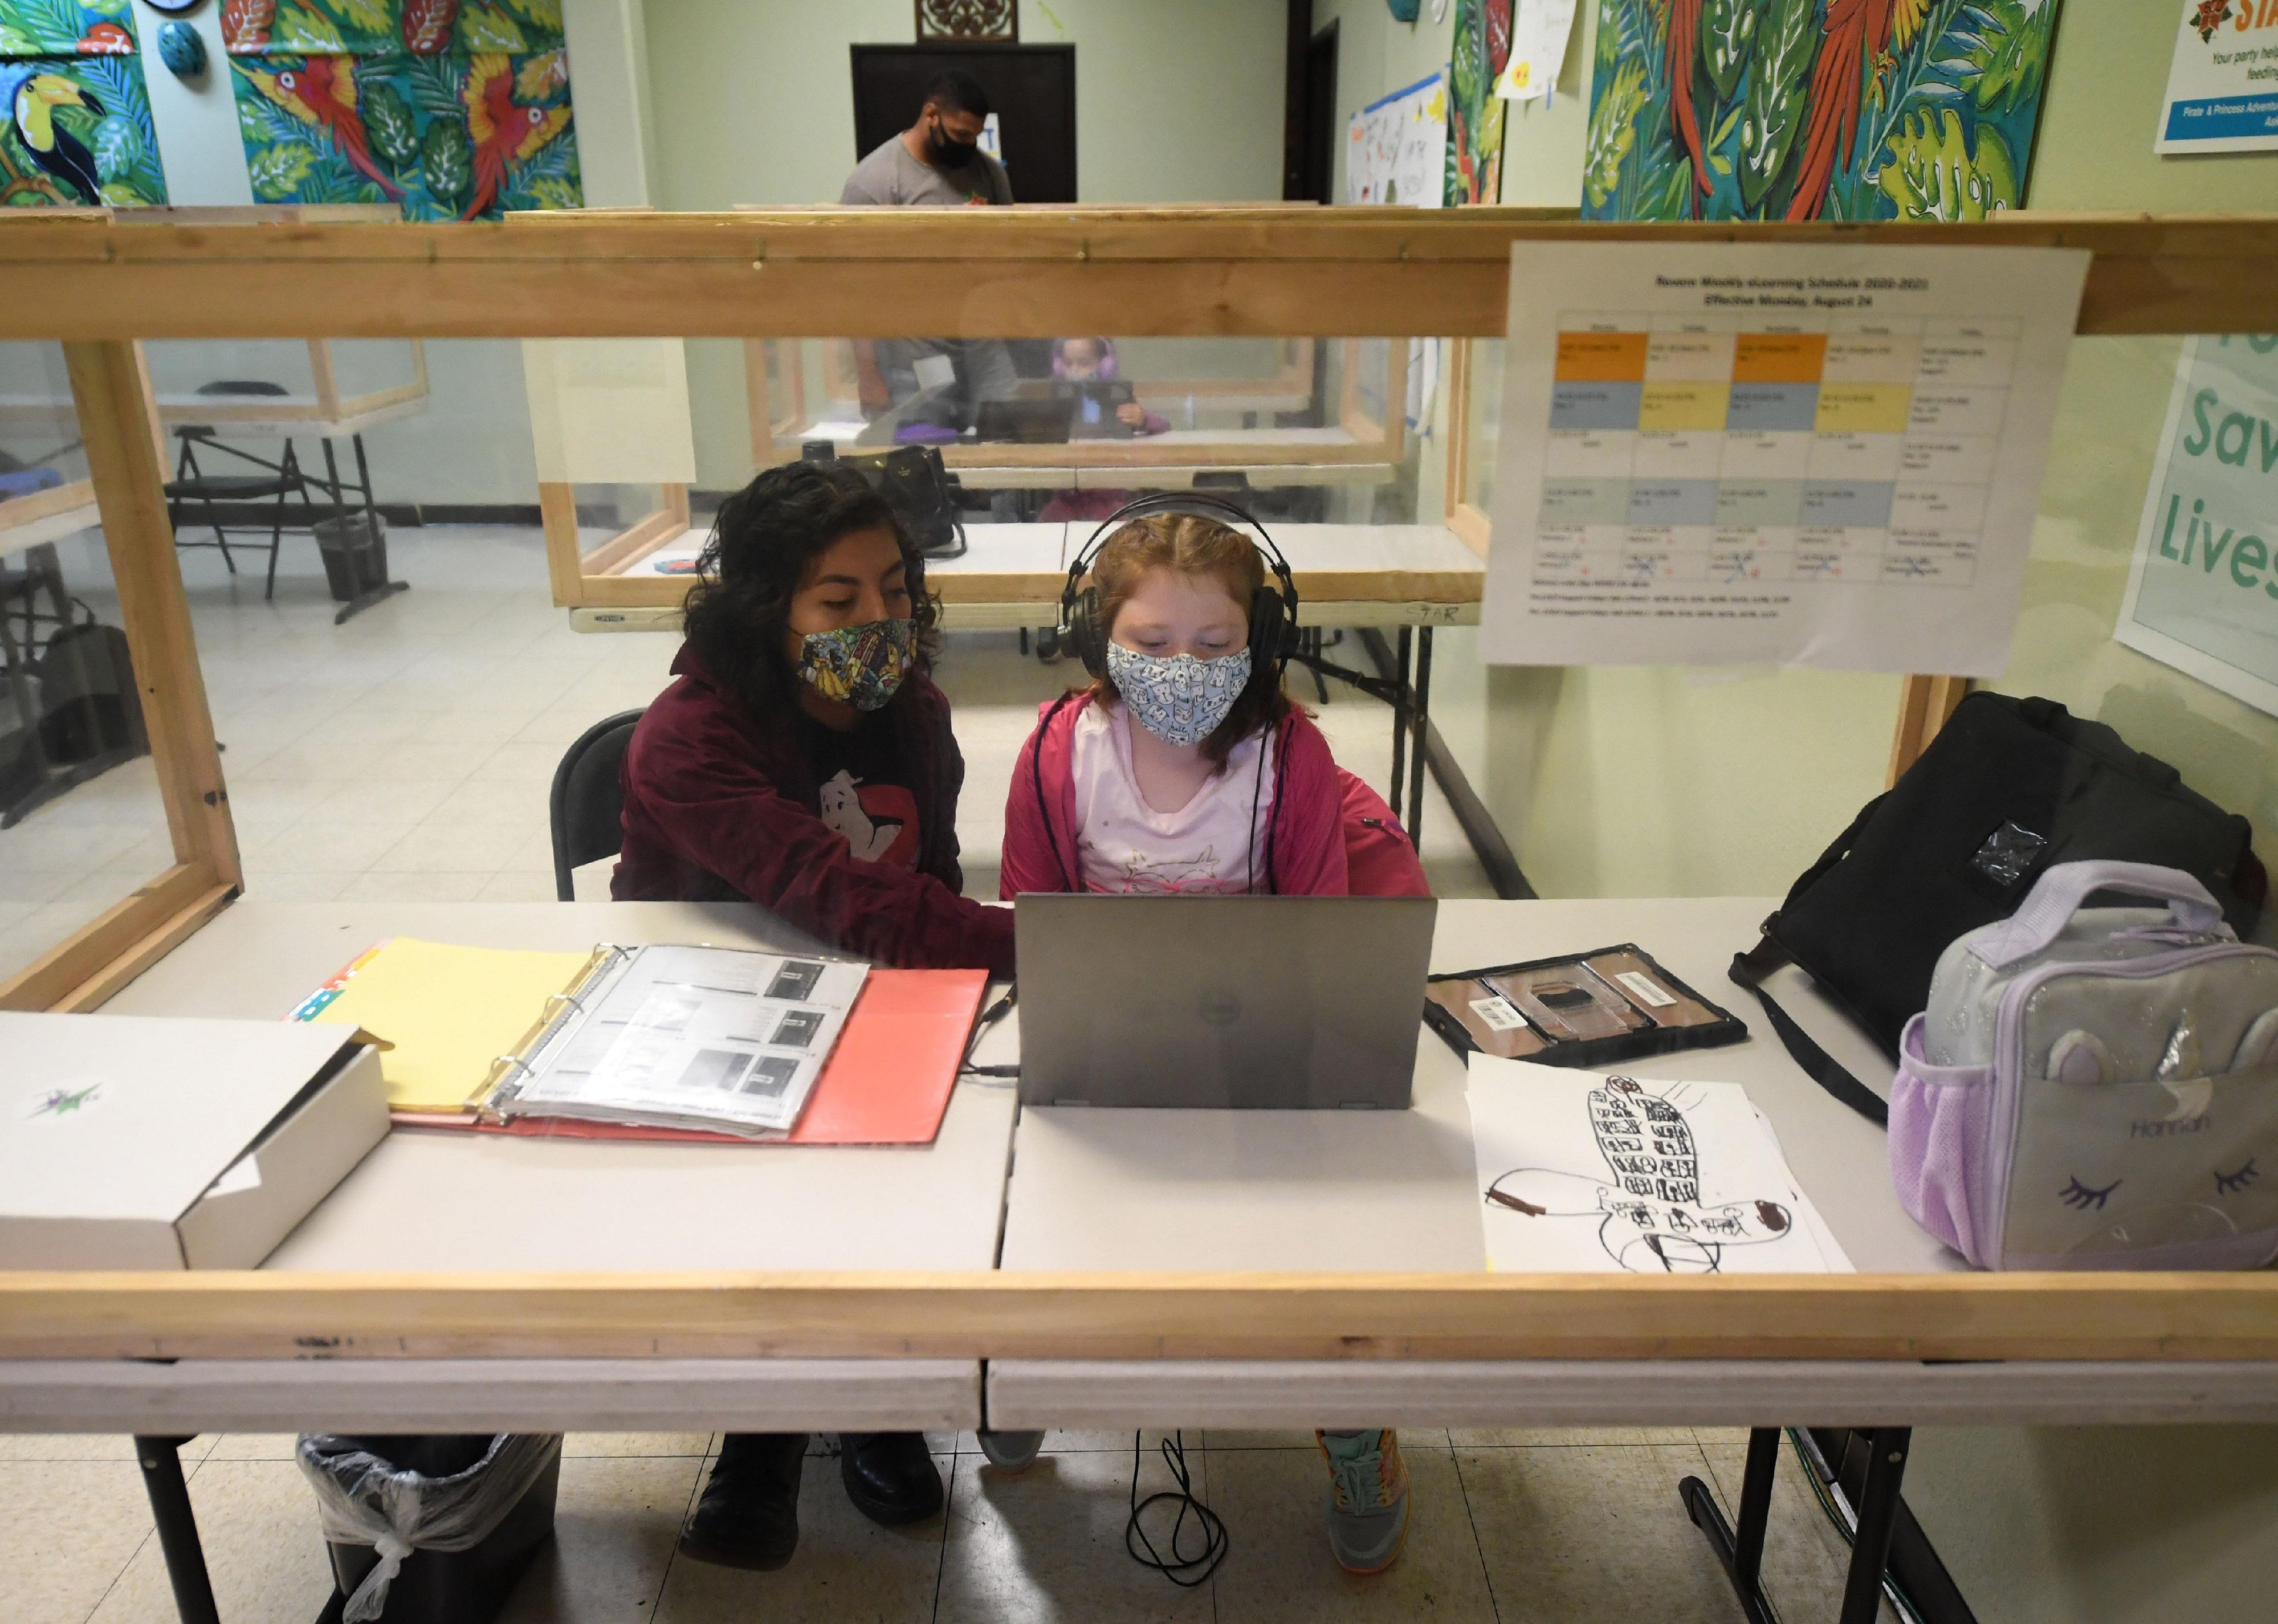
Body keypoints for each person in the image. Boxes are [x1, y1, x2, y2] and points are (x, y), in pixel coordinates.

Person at [998, 505, 1427, 1574]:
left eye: (1215, 645)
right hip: (1102, 1052)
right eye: (1149, 644)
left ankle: (1351, 1422)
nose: (1180, 668)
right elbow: (1030, 925)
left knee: (1313, 1246)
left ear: (1262, 645)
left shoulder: (1291, 759)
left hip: (1265, 1059)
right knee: (1049, 1211)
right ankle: (1031, 1369)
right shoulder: (1059, 755)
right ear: (1100, 639)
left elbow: (1320, 942)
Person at [613, 461, 1013, 1571]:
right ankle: (763, 1432)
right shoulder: (688, 736)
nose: (881, 620)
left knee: (894, 1164)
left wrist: (971, 959)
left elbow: (921, 890)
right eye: (839, 603)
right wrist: (1050, 944)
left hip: (873, 983)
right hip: (710, 1002)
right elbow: (850, 899)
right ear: (766, 607)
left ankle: (875, 1398)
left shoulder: (915, 712)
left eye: (895, 587)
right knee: (767, 1188)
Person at [839, 70, 1016, 424]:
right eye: (961, 135)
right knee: (927, 459)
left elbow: (1011, 251)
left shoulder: (989, 173)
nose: (969, 146)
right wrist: (869, 375)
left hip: (985, 348)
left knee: (1008, 449)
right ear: (931, 116)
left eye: (976, 137)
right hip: (916, 358)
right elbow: (854, 288)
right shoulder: (875, 181)